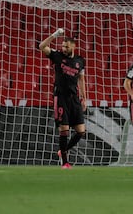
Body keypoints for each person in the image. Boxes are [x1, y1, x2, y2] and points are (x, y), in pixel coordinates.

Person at [39, 28, 87, 169]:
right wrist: (54, 35)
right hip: (60, 97)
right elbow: (41, 47)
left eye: (66, 46)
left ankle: (63, 150)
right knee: (64, 129)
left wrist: (84, 97)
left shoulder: (80, 61)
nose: (64, 48)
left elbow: (81, 79)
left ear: (73, 46)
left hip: (74, 98)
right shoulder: (57, 56)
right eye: (63, 46)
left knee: (80, 131)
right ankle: (65, 162)